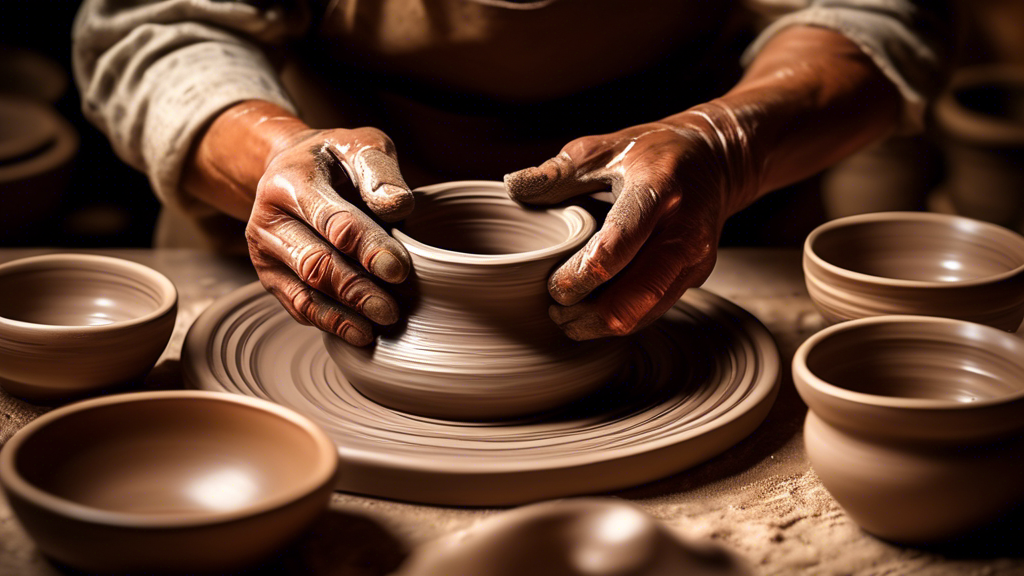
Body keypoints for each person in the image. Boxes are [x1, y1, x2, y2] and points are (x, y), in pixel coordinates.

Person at [72, 0, 949, 344]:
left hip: (687, 257)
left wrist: (726, 141)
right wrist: (265, 149)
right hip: (310, 276)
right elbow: (150, 26)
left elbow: (881, 15)